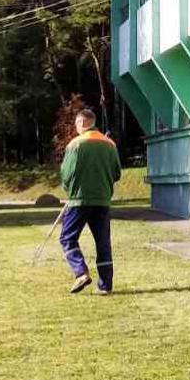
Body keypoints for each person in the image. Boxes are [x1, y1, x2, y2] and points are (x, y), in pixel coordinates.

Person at [58, 106, 121, 295]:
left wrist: (68, 190)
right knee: (103, 243)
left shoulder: (75, 145)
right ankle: (105, 285)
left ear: (80, 123)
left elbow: (66, 174)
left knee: (67, 238)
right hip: (102, 201)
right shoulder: (110, 144)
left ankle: (80, 272)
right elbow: (117, 173)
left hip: (79, 200)